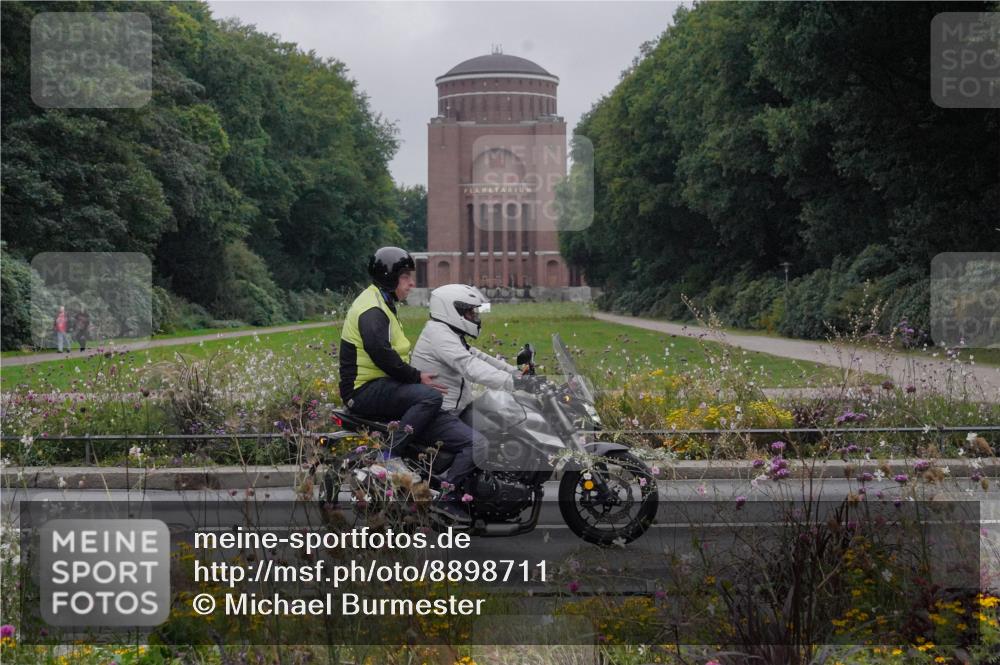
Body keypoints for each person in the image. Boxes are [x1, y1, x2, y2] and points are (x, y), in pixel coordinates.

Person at [338, 247, 476, 523]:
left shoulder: (382, 303)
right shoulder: (371, 310)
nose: (412, 283)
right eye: (406, 277)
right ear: (390, 278)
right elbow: (380, 352)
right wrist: (416, 377)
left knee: (473, 440)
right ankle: (388, 456)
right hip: (363, 391)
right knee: (429, 398)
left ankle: (446, 496)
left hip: (383, 385)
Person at [410, 284, 522, 415]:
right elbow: (470, 366)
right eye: (470, 312)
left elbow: (478, 357)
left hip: (458, 409)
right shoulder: (439, 336)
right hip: (441, 413)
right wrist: (515, 383)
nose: (475, 317)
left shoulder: (446, 332)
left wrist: (515, 372)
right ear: (452, 311)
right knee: (481, 436)